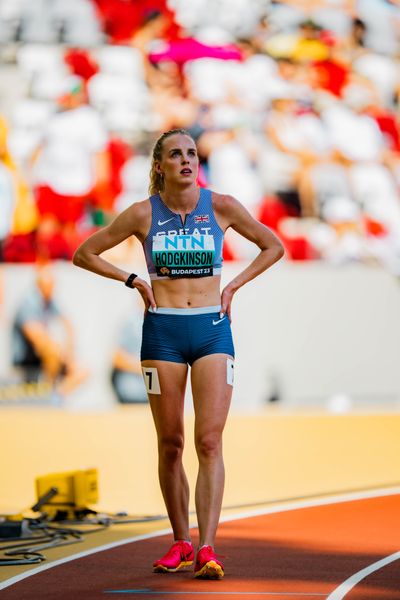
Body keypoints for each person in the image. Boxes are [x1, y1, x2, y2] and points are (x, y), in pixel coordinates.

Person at [73, 128, 284, 579]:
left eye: (191, 153)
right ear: (160, 165)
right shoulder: (140, 214)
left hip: (211, 330)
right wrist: (132, 280)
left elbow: (273, 245)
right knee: (170, 443)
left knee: (209, 440)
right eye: (176, 154)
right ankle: (180, 542)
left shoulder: (221, 206)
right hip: (162, 333)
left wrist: (233, 285)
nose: (187, 160)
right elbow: (84, 253)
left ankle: (208, 546)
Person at [12, 265, 88, 397]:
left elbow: (68, 324)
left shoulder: (49, 302)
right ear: (39, 285)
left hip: (48, 354)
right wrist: (60, 352)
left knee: (82, 370)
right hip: (28, 357)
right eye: (50, 285)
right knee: (51, 349)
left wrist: (68, 350)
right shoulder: (28, 304)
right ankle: (48, 395)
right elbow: (36, 336)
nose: (53, 289)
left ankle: (54, 397)